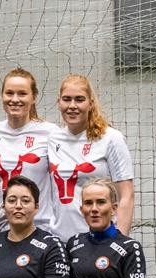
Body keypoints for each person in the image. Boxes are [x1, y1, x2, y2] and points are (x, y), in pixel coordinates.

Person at [49, 75, 136, 241]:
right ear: (58, 102)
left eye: (79, 99)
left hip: (98, 241)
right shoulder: (52, 138)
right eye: (67, 99)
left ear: (90, 103)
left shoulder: (111, 138)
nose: (72, 106)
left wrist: (120, 243)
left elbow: (126, 195)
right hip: (60, 241)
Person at [0, 69, 57, 235]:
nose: (15, 99)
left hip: (41, 229)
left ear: (34, 97)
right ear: (1, 95)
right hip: (2, 231)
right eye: (9, 93)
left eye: (22, 94)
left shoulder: (50, 133)